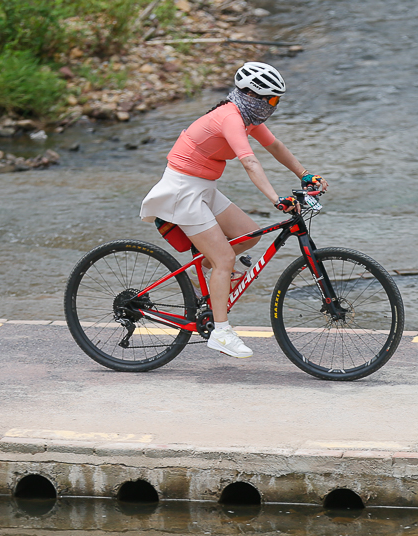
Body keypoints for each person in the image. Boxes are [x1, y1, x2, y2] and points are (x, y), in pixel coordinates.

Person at [139, 61, 329, 358]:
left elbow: (275, 146)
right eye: (273, 100)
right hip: (182, 190)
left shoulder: (248, 116)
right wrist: (275, 198)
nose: (275, 106)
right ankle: (221, 332)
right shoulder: (230, 117)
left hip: (203, 187)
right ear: (254, 96)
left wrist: (305, 174)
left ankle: (205, 272)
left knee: (249, 234)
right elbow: (250, 162)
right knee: (226, 258)